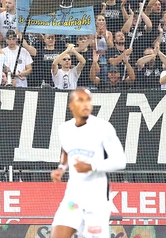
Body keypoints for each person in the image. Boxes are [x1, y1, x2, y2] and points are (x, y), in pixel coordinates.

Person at [50, 87, 126, 238]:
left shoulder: (103, 128)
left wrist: (91, 166)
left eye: (88, 100)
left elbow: (120, 161)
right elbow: (66, 150)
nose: (86, 104)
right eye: (80, 100)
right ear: (71, 105)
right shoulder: (64, 128)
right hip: (73, 195)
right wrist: (61, 168)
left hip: (96, 197)